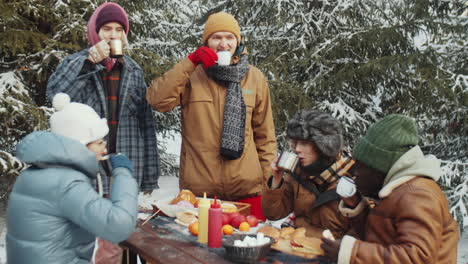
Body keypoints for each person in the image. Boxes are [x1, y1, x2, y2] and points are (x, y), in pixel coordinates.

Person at [146, 12, 276, 220]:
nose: (223, 43)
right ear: (206, 41)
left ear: (238, 41)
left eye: (229, 37)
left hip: (248, 192)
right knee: (199, 252)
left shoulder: (255, 78)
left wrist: (268, 183)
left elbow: (265, 136)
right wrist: (190, 62)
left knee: (247, 249)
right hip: (200, 195)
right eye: (216, 37)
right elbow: (157, 100)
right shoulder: (191, 75)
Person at [6, 93, 138, 264]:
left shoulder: (34, 173)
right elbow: (119, 225)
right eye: (99, 143)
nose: (104, 150)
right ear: (80, 145)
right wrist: (123, 173)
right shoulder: (66, 183)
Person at [47, 2, 159, 195]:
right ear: (95, 32)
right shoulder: (76, 63)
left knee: (125, 224)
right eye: (107, 29)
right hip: (86, 167)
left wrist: (149, 177)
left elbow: (146, 124)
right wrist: (90, 62)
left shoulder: (133, 71)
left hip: (126, 164)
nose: (113, 35)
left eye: (119, 29)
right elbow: (56, 95)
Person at [321, 114, 459, 263]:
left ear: (379, 167)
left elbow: (417, 258)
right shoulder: (396, 191)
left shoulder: (417, 195)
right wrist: (358, 210)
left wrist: (351, 253)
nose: (355, 174)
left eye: (361, 167)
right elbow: (382, 238)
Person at [262, 110, 354, 238]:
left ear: (323, 146)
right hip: (297, 243)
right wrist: (276, 180)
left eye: (304, 143)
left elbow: (357, 234)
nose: (297, 149)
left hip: (331, 251)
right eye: (296, 143)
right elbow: (273, 214)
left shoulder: (350, 180)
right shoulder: (298, 172)